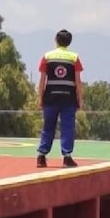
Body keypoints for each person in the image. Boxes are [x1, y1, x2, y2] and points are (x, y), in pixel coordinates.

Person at [36, 29, 84, 168]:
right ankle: (67, 157)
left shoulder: (47, 56)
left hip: (50, 97)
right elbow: (78, 82)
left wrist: (40, 98)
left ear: (56, 40)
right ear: (69, 42)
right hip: (68, 98)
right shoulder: (74, 58)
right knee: (68, 126)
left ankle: (41, 156)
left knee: (48, 126)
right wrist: (80, 99)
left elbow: (42, 80)